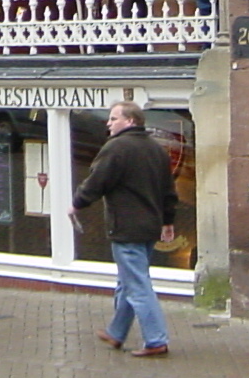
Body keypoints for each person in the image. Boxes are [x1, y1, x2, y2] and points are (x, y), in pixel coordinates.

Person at [71, 101, 178, 358]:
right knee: (127, 282)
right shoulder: (156, 149)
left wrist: (77, 204)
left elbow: (97, 180)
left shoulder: (116, 148)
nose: (108, 123)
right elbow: (168, 191)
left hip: (127, 228)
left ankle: (156, 340)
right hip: (149, 227)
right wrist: (167, 221)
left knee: (138, 285)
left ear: (130, 121)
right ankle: (116, 332)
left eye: (113, 118)